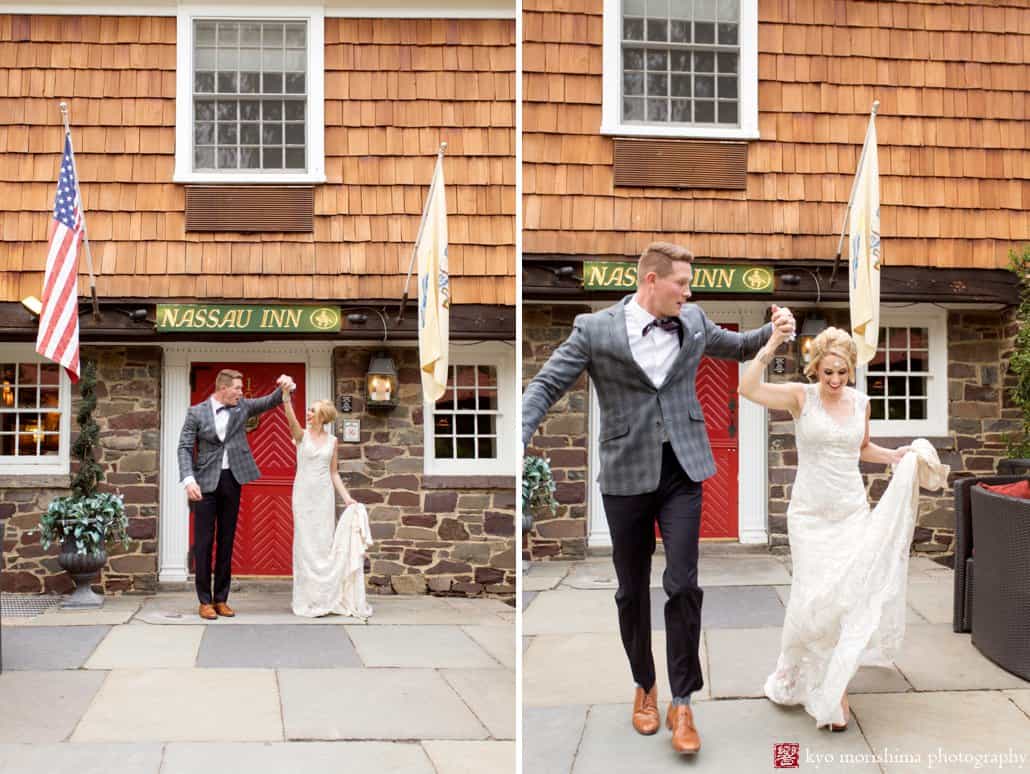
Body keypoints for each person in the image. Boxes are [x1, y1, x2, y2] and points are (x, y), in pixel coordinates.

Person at [522, 241, 795, 754]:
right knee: (630, 590)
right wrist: (519, 431)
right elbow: (545, 385)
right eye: (682, 283)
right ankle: (645, 686)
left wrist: (774, 331)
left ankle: (684, 701)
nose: (688, 293)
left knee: (683, 584)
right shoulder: (595, 329)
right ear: (651, 280)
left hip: (683, 469)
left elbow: (736, 347)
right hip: (626, 474)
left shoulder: (691, 321)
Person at [738, 326, 948, 730]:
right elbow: (747, 389)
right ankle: (801, 673)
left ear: (851, 370)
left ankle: (836, 689)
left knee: (846, 596)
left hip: (851, 511)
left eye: (842, 373)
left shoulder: (861, 402)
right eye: (827, 372)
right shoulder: (802, 396)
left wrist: (895, 455)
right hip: (810, 515)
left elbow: (862, 448)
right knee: (812, 597)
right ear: (816, 368)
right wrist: (770, 346)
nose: (834, 381)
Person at [177, 369, 292, 620]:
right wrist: (188, 480)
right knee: (204, 543)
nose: (242, 392)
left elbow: (270, 401)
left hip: (233, 479)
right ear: (223, 388)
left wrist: (285, 385)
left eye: (241, 389)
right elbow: (185, 447)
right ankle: (204, 601)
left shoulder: (242, 407)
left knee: (227, 541)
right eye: (238, 388)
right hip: (204, 483)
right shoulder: (196, 412)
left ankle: (221, 599)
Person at [281, 386, 373, 619]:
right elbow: (290, 419)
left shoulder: (332, 442)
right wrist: (286, 398)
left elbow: (334, 473)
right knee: (305, 546)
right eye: (309, 410)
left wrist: (347, 498)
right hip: (303, 496)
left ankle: (325, 597)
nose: (308, 414)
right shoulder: (301, 435)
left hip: (324, 497)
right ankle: (307, 599)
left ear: (322, 416)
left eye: (312, 411)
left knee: (323, 545)